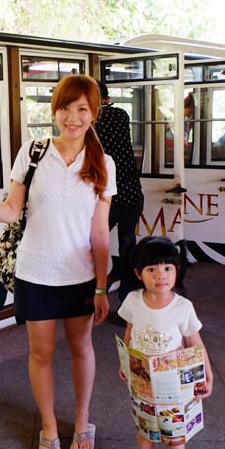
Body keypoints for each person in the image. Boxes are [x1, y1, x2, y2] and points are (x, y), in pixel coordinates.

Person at [0, 74, 116, 449]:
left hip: (81, 276)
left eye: (81, 109)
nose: (72, 117)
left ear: (94, 114)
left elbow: (100, 230)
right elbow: (11, 211)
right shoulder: (33, 153)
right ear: (55, 111)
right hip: (35, 273)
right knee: (41, 352)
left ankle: (83, 420)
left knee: (81, 349)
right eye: (65, 108)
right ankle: (50, 426)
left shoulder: (103, 163)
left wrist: (102, 286)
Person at [117, 236, 213, 449]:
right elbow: (129, 333)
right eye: (152, 270)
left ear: (177, 269)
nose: (161, 275)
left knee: (175, 436)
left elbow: (196, 344)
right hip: (143, 384)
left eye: (167, 268)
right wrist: (124, 361)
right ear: (138, 273)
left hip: (175, 386)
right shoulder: (133, 300)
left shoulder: (183, 307)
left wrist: (208, 374)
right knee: (144, 429)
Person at [94, 81, 144, 302]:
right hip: (132, 192)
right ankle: (128, 296)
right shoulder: (121, 115)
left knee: (91, 244)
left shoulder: (95, 121)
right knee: (127, 243)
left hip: (107, 195)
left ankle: (94, 293)